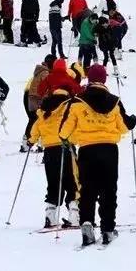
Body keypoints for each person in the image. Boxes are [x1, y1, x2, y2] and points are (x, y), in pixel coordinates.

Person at [59, 64, 136, 245]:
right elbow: (124, 126)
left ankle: (87, 222)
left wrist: (68, 139)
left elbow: (64, 131)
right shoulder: (115, 102)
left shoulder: (77, 101)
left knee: (87, 189)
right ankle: (108, 228)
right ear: (104, 79)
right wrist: (132, 120)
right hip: (109, 150)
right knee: (109, 189)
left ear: (89, 78)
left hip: (87, 150)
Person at [28, 83, 78, 228]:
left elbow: (35, 128)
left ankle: (50, 216)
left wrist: (31, 141)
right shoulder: (69, 106)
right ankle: (74, 215)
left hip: (49, 151)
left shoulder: (44, 109)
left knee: (53, 183)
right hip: (66, 147)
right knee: (72, 182)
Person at [22, 54, 55, 152]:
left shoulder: (39, 70)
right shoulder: (45, 72)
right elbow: (46, 88)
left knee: (33, 120)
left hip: (28, 95)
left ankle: (26, 142)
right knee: (40, 119)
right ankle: (38, 143)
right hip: (35, 97)